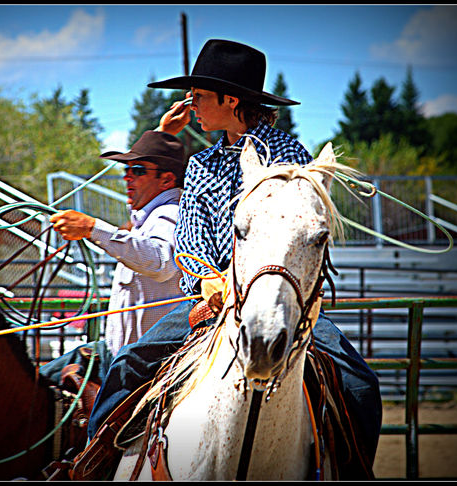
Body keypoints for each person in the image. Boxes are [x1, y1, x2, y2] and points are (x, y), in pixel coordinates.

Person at [79, 39, 382, 479]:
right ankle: (94, 465)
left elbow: (298, 232)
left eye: (199, 96)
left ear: (230, 99)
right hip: (211, 303)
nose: (192, 105)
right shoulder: (201, 165)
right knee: (128, 365)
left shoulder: (291, 157)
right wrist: (208, 280)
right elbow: (188, 244)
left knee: (358, 382)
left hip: (281, 298)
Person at [39, 130, 186, 385]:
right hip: (117, 355)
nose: (127, 177)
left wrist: (92, 228)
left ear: (167, 180)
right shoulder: (148, 218)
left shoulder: (171, 213)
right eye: (126, 170)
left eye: (138, 170)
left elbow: (161, 262)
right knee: (36, 385)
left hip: (142, 369)